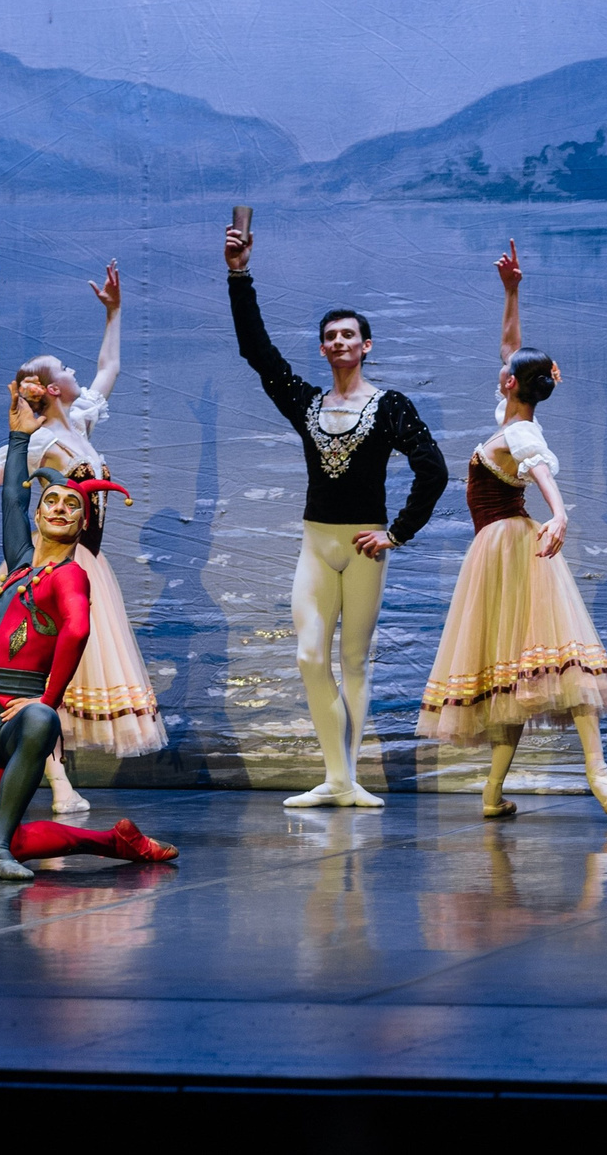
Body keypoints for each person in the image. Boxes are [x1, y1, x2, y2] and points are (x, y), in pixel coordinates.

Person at [0, 262, 166, 809]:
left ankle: (5, 774)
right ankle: (28, 778)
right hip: (44, 571)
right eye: (64, 367)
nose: (75, 369)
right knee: (31, 675)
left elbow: (109, 366)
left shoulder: (80, 423)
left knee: (55, 679)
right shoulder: (40, 440)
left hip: (86, 566)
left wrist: (114, 313)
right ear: (50, 388)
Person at [224, 220, 448, 808]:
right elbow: (256, 352)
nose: (340, 342)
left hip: (363, 547)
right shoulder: (307, 403)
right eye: (331, 336)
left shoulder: (390, 405)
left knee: (353, 662)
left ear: (366, 346)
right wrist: (240, 275)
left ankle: (346, 779)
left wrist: (398, 532)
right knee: (308, 656)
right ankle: (337, 779)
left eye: (350, 334)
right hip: (316, 544)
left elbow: (434, 470)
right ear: (323, 349)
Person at [416, 242, 607, 822]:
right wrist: (511, 293)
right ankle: (492, 794)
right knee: (517, 675)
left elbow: (539, 469)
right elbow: (511, 347)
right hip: (501, 547)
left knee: (560, 664)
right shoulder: (510, 417)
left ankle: (598, 771)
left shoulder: (519, 434)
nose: (501, 368)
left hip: (509, 545)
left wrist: (560, 513)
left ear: (511, 385)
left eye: (506, 372)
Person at [0, 423, 178, 881]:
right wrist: (17, 437)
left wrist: (47, 700)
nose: (59, 509)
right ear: (38, 514)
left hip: (11, 715)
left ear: (83, 523)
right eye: (51, 501)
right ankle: (115, 842)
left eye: (72, 506)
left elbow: (77, 628)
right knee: (16, 840)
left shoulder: (70, 576)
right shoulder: (20, 565)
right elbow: (12, 500)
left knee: (41, 721)